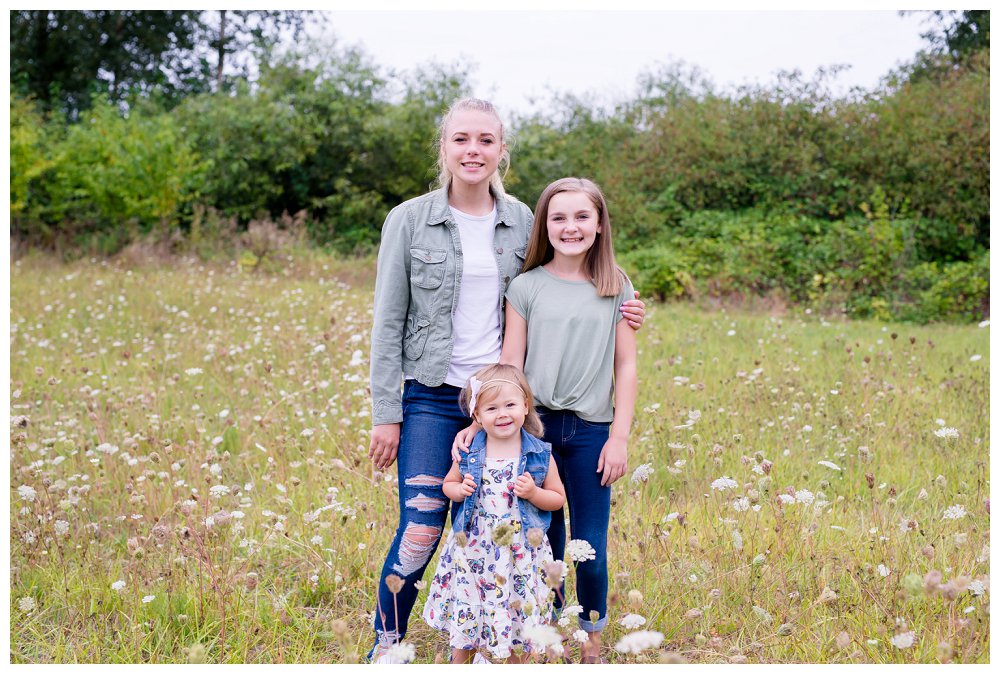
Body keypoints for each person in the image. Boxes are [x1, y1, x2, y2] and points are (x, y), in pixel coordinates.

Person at [367, 98, 644, 663]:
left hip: (506, 406)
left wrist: (627, 308)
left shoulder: (520, 220)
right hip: (431, 396)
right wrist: (386, 414)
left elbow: (567, 289)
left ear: (501, 151)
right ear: (444, 146)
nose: (473, 150)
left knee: (510, 526)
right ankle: (387, 643)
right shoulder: (409, 220)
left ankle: (511, 636)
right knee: (422, 526)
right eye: (461, 139)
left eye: (486, 140)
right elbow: (388, 321)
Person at [457, 177, 637, 663]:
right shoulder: (526, 286)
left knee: (589, 545)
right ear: (544, 225)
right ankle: (546, 632)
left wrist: (619, 437)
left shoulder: (617, 287)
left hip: (591, 432)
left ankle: (592, 639)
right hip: (534, 431)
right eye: (558, 217)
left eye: (582, 217)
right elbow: (510, 364)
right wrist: (479, 418)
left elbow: (625, 365)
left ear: (599, 225)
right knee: (542, 541)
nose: (570, 227)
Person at [421, 364, 565, 663]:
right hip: (476, 549)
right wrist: (459, 490)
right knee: (470, 607)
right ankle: (462, 661)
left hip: (521, 552)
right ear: (477, 416)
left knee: (519, 613)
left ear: (526, 405)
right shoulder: (470, 450)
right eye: (491, 408)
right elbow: (448, 484)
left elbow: (557, 498)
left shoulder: (539, 453)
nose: (502, 414)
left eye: (510, 405)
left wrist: (534, 494)